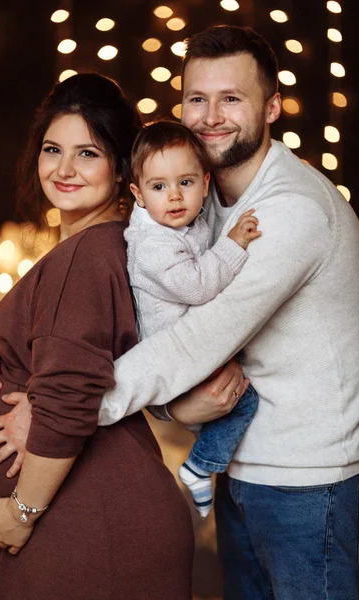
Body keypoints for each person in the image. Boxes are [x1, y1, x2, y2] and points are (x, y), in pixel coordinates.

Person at [0, 24, 359, 599]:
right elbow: (134, 330)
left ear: (274, 105)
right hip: (243, 472)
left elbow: (193, 341)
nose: (210, 116)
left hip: (306, 484)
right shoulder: (193, 207)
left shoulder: (290, 212)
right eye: (197, 98)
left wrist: (60, 408)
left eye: (233, 98)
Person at [0, 72, 196, 600]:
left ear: (121, 169)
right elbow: (64, 349)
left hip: (92, 525)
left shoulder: (89, 256)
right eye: (52, 149)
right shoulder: (97, 248)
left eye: (87, 153)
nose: (64, 169)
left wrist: (21, 514)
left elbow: (71, 394)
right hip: (89, 519)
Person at [127, 119, 260, 518]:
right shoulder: (152, 245)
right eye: (158, 186)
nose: (174, 197)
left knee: (236, 394)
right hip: (175, 355)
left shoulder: (187, 223)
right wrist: (234, 244)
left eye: (185, 182)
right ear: (137, 194)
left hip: (190, 346)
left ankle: (206, 464)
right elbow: (198, 286)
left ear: (205, 183)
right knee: (244, 400)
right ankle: (200, 466)